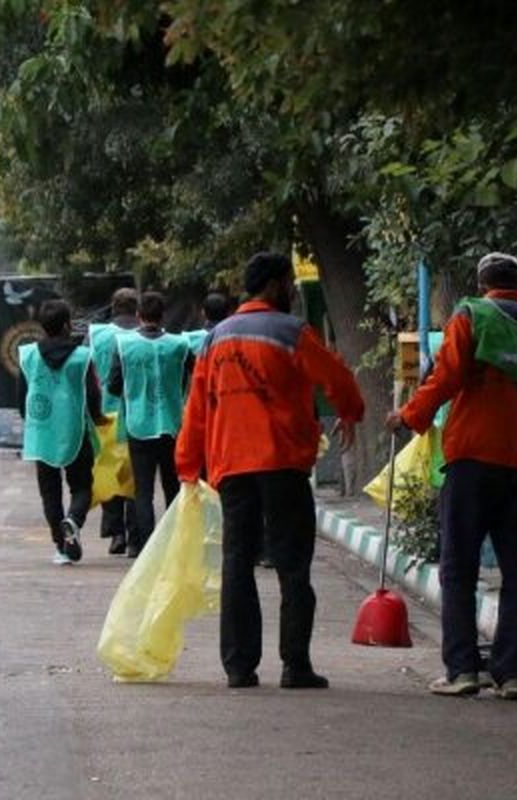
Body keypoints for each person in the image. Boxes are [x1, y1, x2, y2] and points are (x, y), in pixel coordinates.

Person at [387, 252, 517, 700]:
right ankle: (513, 674)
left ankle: (463, 669)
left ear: (483, 283)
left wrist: (409, 417)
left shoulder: (474, 316)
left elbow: (445, 377)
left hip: (471, 462)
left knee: (458, 568)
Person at [176, 252, 363, 690]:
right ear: (275, 285)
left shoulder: (216, 337)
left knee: (237, 562)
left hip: (231, 467)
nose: (294, 290)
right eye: (290, 282)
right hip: (282, 462)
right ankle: (295, 665)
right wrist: (349, 413)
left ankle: (239, 667)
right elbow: (336, 379)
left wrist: (188, 465)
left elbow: (197, 408)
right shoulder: (291, 331)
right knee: (293, 565)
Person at [107, 291, 193, 557]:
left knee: (142, 491)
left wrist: (133, 392)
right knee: (172, 486)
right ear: (162, 315)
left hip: (138, 425)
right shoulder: (179, 345)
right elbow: (193, 375)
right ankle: (174, 545)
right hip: (171, 424)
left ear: (138, 316)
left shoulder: (123, 345)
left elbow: (113, 385)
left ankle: (146, 548)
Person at [18, 300, 104, 565]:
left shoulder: (28, 354)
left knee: (49, 491)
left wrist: (29, 419)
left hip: (41, 432)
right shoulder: (82, 356)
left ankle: (61, 545)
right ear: (67, 325)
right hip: (75, 431)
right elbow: (92, 392)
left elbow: (23, 394)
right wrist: (98, 417)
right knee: (81, 487)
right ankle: (74, 520)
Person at [86, 288, 141, 555]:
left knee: (110, 472)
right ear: (136, 308)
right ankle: (135, 537)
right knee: (135, 477)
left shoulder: (98, 334)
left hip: (105, 412)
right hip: (138, 413)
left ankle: (115, 532)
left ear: (113, 307)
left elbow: (89, 369)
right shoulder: (148, 334)